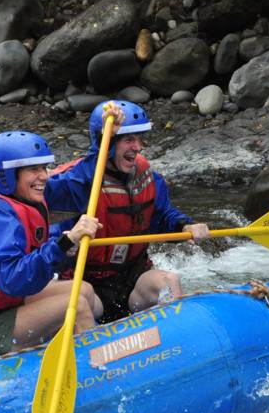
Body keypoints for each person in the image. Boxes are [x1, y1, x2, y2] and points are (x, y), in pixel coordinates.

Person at [0, 130, 103, 366]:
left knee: (83, 290)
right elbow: (13, 279)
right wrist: (62, 244)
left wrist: (104, 139)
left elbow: (78, 183)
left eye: (44, 168)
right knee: (75, 306)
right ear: (7, 176)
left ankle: (64, 355)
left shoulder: (21, 196)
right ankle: (99, 374)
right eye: (33, 169)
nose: (43, 176)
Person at [46, 100, 210, 322]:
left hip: (134, 278)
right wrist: (102, 142)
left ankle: (177, 334)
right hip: (89, 285)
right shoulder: (76, 181)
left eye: (140, 139)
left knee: (169, 281)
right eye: (129, 139)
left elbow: (162, 216)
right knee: (79, 300)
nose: (138, 147)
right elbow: (46, 214)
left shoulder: (148, 177)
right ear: (109, 142)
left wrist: (185, 225)